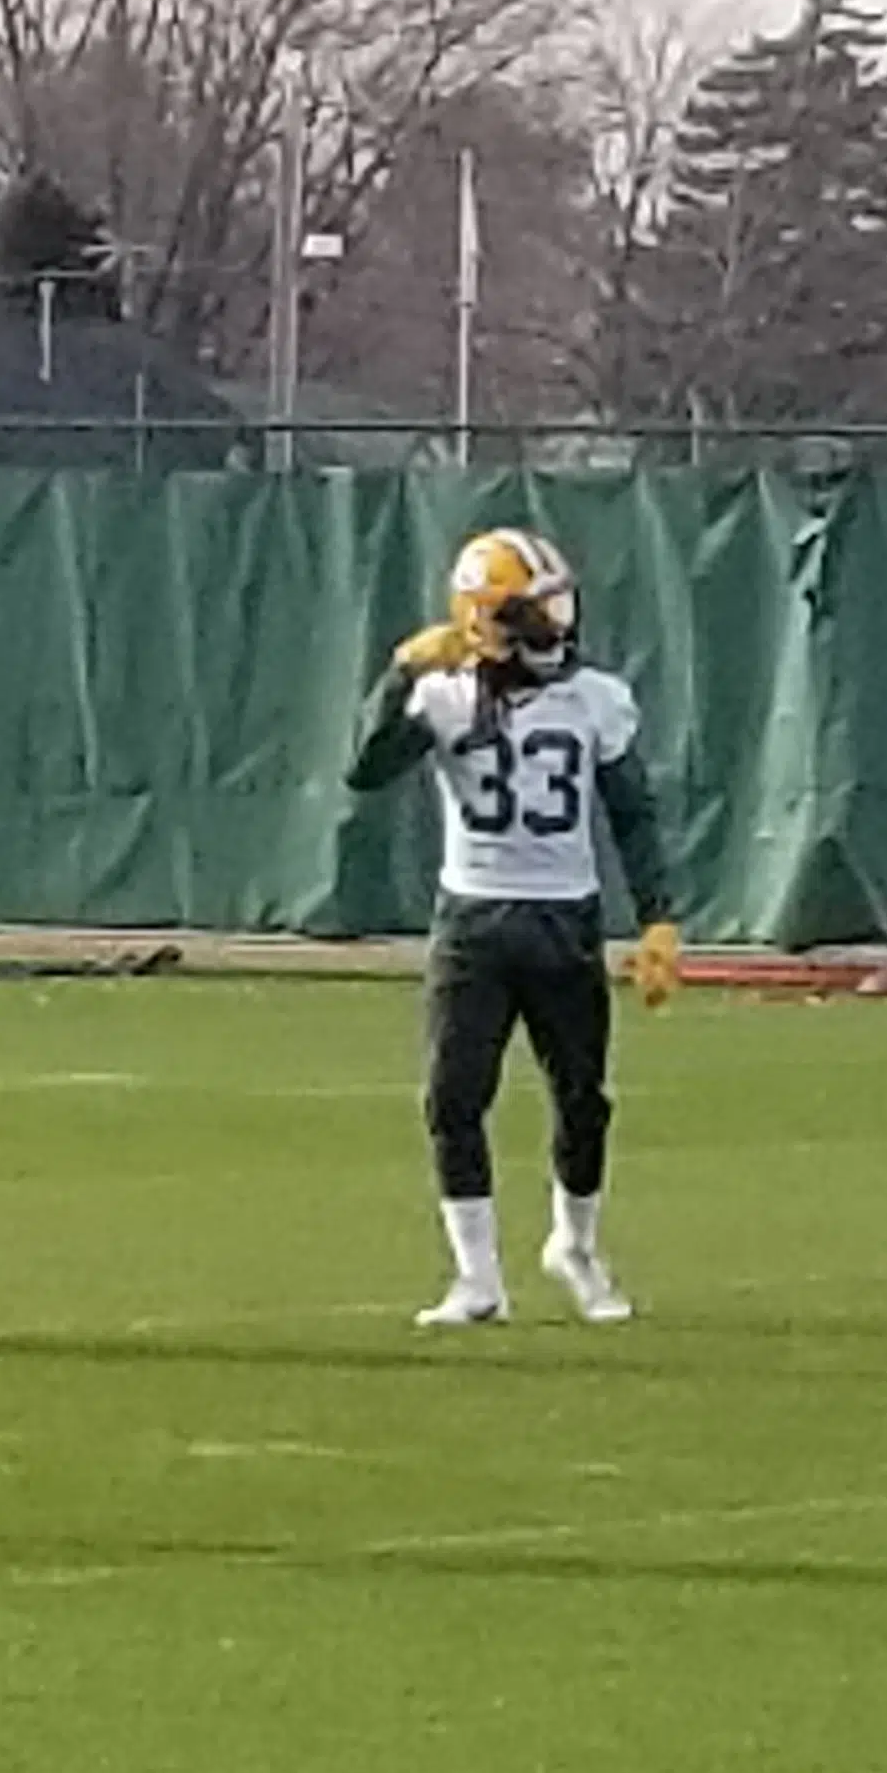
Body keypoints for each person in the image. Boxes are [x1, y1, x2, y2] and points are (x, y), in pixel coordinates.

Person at [348, 527, 679, 1327]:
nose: (556, 628)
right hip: (473, 918)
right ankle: (477, 1277)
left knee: (582, 1100)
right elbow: (365, 770)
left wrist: (660, 918)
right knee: (454, 1097)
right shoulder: (446, 693)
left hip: (566, 915)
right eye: (535, 614)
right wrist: (398, 677)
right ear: (488, 621)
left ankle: (575, 1245)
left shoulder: (595, 696)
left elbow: (631, 813)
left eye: (556, 608)